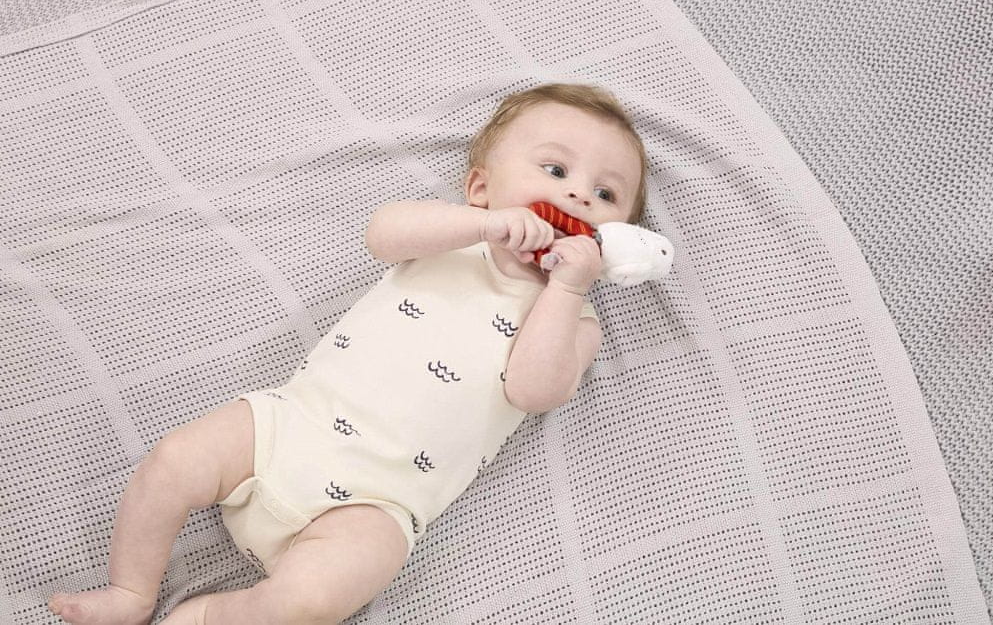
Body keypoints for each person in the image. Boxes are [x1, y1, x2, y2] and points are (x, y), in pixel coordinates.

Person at [49, 82, 649, 624]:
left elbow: (534, 390)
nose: (577, 195)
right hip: (287, 428)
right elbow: (382, 233)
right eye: (554, 169)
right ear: (481, 189)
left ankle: (214, 615)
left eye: (605, 193)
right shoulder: (453, 238)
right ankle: (131, 591)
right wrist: (483, 226)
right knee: (173, 461)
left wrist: (567, 289)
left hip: (375, 505)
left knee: (313, 602)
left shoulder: (576, 319)